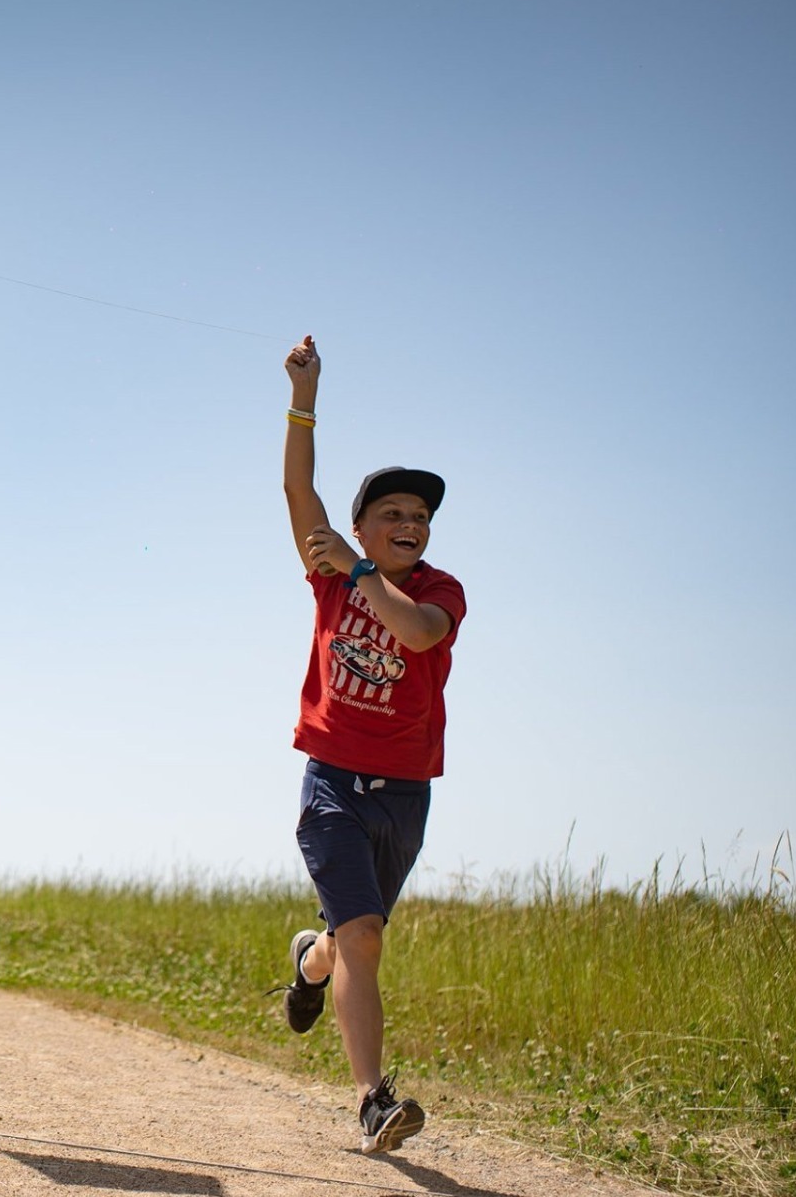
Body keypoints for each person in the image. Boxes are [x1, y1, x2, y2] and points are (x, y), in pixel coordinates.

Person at [272, 335, 467, 1154]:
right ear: (359, 525)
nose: (411, 524)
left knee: (346, 943)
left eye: (420, 517)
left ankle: (307, 964)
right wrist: (304, 396)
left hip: (407, 793)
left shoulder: (439, 591)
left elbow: (418, 635)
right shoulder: (328, 571)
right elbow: (296, 486)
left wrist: (359, 571)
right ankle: (371, 1103)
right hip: (333, 785)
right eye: (393, 514)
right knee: (368, 938)